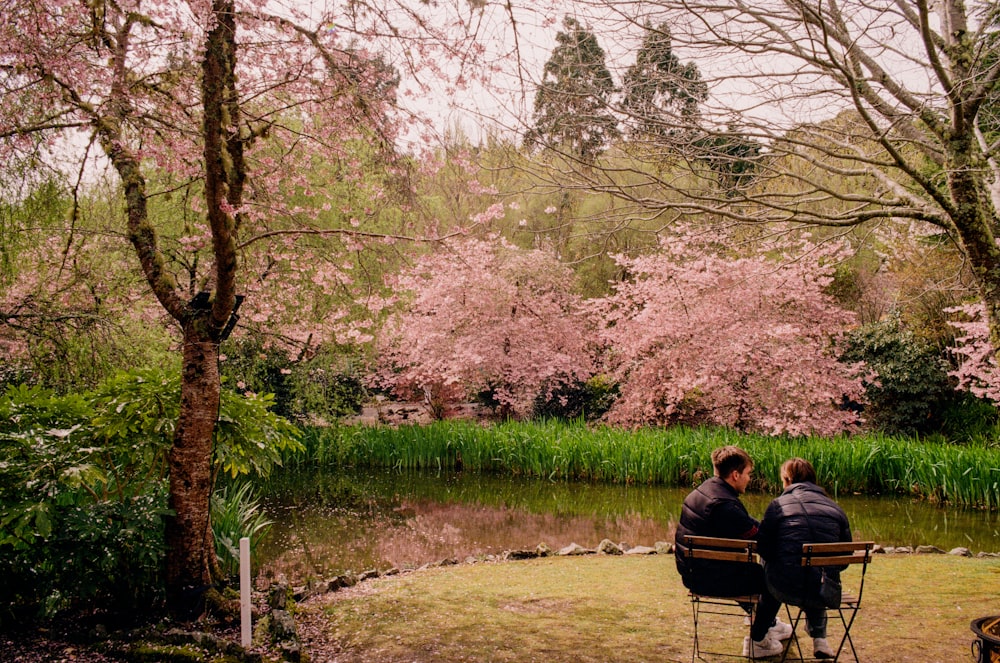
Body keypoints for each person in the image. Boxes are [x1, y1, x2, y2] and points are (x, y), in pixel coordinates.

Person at [674, 445, 791, 658]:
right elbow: (760, 539)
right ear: (735, 475)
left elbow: (746, 525)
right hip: (707, 577)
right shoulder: (724, 505)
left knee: (751, 570)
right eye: (748, 474)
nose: (749, 479)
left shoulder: (705, 490)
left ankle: (768, 622)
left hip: (693, 570)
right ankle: (758, 640)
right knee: (776, 578)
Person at [753, 457, 852, 660]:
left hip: (782, 588)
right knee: (818, 570)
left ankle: (759, 634)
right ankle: (820, 639)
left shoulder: (777, 505)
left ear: (788, 479)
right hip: (822, 591)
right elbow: (845, 554)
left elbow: (762, 546)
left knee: (772, 566)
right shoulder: (835, 509)